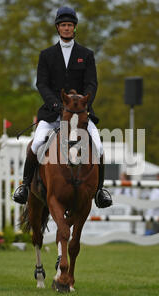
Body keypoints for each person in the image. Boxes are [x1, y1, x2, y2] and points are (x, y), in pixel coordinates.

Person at [13, 6, 112, 208]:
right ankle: (24, 186)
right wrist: (56, 104)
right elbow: (42, 84)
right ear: (58, 28)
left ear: (74, 28)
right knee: (36, 144)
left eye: (70, 25)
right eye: (63, 25)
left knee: (99, 147)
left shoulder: (86, 54)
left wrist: (83, 103)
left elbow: (92, 83)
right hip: (53, 113)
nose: (67, 28)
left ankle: (100, 191)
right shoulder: (47, 55)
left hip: (80, 113)